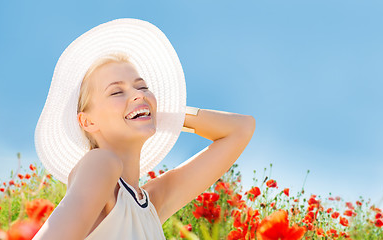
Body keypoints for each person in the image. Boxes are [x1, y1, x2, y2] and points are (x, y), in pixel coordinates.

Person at [33, 18, 255, 240]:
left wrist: (161, 113)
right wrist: (142, 108)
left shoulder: (151, 204)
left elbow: (241, 128)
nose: (138, 94)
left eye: (142, 87)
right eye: (116, 92)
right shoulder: (100, 163)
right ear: (87, 122)